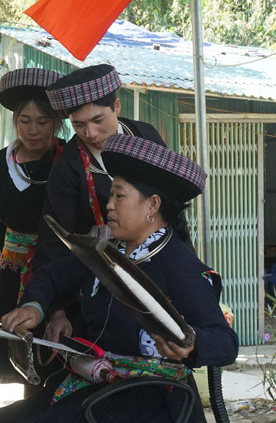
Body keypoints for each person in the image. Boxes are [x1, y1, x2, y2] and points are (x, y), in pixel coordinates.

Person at [0, 134, 238, 423]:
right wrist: (34, 307)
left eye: (119, 196)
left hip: (149, 403)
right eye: (110, 196)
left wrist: (192, 344)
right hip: (95, 384)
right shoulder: (106, 253)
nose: (109, 205)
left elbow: (225, 341)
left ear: (152, 206)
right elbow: (51, 275)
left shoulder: (179, 265)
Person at [32, 64, 188, 341]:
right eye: (78, 125)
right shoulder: (68, 165)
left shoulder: (146, 136)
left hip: (157, 266)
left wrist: (190, 267)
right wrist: (57, 312)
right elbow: (54, 240)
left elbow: (172, 207)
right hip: (97, 272)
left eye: (97, 120)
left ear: (116, 105)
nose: (90, 133)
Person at [0, 68, 66, 389]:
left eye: (43, 121)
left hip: (60, 274)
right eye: (24, 120)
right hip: (14, 274)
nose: (33, 130)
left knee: (56, 364)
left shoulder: (69, 161)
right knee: (22, 365)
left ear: (57, 121)